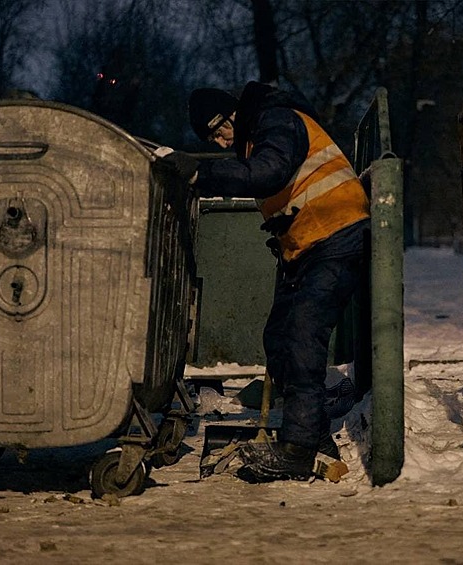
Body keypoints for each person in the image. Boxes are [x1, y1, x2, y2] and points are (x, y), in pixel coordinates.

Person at [157, 81, 370, 483]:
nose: (221, 143)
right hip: (309, 245)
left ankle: (299, 450)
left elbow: (268, 174)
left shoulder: (278, 120)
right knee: (280, 338)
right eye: (212, 140)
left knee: (303, 335)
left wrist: (201, 172)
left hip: (336, 233)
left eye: (219, 131)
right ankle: (315, 435)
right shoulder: (258, 136)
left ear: (234, 113)